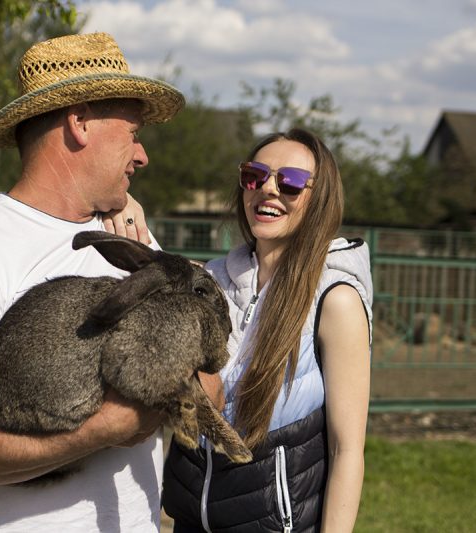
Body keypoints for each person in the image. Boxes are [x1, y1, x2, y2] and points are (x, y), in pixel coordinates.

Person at [0, 32, 191, 532]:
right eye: (132, 133)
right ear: (79, 123)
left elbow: (209, 383)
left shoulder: (131, 240)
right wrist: (109, 425)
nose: (142, 155)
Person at [159, 128, 373, 532]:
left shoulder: (335, 299)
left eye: (291, 182)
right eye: (254, 175)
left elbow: (346, 450)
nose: (268, 189)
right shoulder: (211, 281)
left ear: (320, 198)